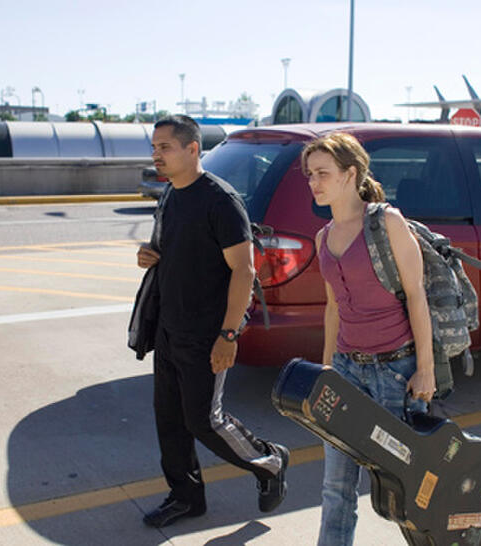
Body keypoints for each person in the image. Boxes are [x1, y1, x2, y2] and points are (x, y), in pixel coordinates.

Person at [137, 115, 289, 528]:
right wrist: (149, 254)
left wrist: (228, 334)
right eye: (154, 148)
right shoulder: (170, 195)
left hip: (206, 333)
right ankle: (186, 498)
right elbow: (177, 250)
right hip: (169, 327)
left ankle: (270, 462)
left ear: (192, 149)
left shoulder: (220, 200)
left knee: (205, 421)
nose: (157, 155)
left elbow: (244, 271)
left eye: (165, 147)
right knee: (169, 419)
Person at [302, 133, 436, 546]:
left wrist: (426, 369)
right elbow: (333, 309)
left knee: (406, 487)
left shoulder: (387, 223)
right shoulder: (324, 237)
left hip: (394, 371)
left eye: (323, 174)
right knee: (336, 486)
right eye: (310, 175)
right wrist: (326, 370)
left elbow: (416, 295)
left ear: (350, 174)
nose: (314, 183)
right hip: (345, 369)